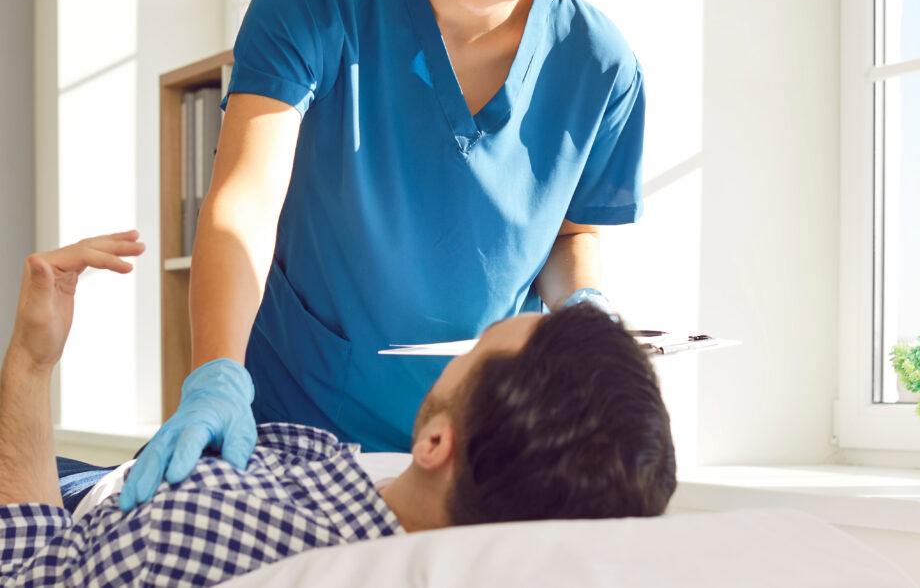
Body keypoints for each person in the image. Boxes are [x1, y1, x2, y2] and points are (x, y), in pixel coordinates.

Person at [121, 0, 646, 509]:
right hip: (285, 430)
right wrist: (216, 376)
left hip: (469, 456)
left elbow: (570, 233)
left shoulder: (600, 66)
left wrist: (585, 307)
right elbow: (246, 199)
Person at [1, 234, 676, 587]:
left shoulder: (202, 523)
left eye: (470, 353)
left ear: (438, 443)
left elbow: (27, 568)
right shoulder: (438, 515)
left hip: (66, 506)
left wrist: (31, 362)